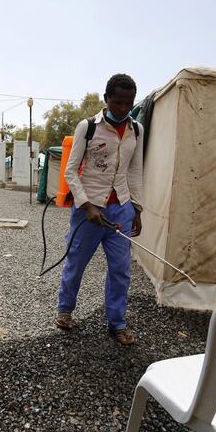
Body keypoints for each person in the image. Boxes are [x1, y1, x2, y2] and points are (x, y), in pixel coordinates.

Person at [56, 73, 144, 345]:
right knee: (76, 262)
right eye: (117, 102)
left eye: (128, 103)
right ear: (106, 99)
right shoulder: (88, 126)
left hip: (122, 210)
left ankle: (117, 322)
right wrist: (87, 205)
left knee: (121, 269)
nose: (122, 109)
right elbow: (71, 171)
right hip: (89, 211)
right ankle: (65, 310)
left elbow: (135, 170)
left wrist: (138, 209)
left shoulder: (136, 130)